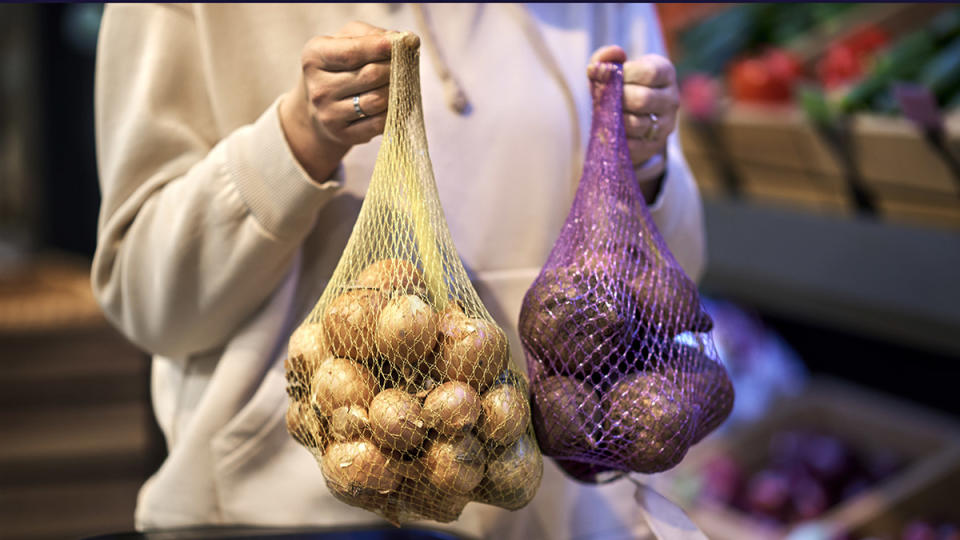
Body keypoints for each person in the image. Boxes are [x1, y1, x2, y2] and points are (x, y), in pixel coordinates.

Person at [92, 4, 706, 539]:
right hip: (284, 516)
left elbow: (674, 293)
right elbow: (148, 302)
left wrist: (642, 172)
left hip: (547, 512)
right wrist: (296, 141)